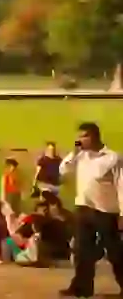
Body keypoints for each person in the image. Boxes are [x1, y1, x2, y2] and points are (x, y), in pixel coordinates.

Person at [58, 121, 123, 298]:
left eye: (84, 136)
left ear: (95, 136)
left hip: (105, 211)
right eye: (79, 136)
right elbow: (63, 170)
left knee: (115, 251)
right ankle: (81, 288)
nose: (80, 140)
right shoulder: (80, 156)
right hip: (83, 207)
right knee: (81, 250)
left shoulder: (112, 158)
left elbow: (121, 185)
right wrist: (74, 153)